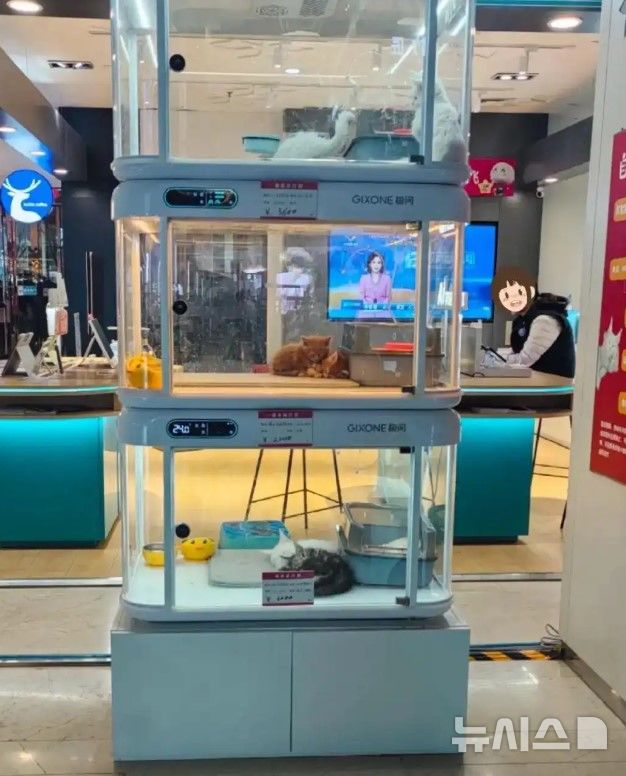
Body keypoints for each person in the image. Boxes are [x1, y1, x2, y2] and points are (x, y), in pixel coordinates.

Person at [503, 292, 576, 378]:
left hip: (553, 380)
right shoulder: (524, 319)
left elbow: (526, 359)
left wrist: (500, 360)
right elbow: (518, 350)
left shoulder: (545, 320)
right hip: (538, 375)